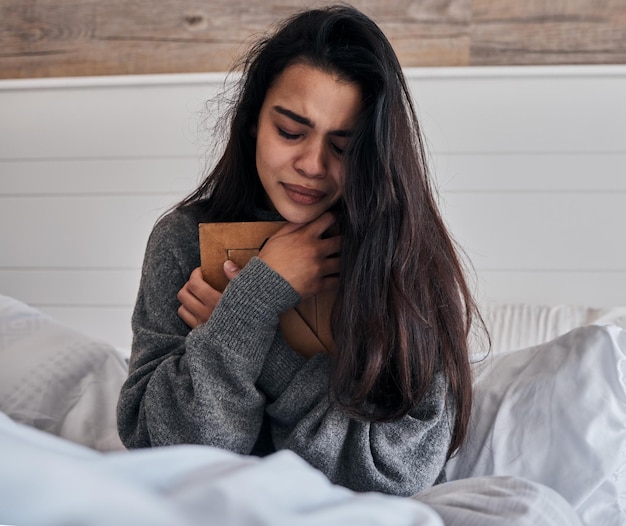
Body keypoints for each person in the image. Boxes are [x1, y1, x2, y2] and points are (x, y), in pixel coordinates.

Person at [117, 4, 480, 497]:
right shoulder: (183, 240)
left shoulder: (406, 257)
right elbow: (161, 453)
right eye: (290, 132)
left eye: (343, 147)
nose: (312, 164)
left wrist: (247, 322)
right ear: (252, 123)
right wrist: (257, 300)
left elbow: (396, 475)